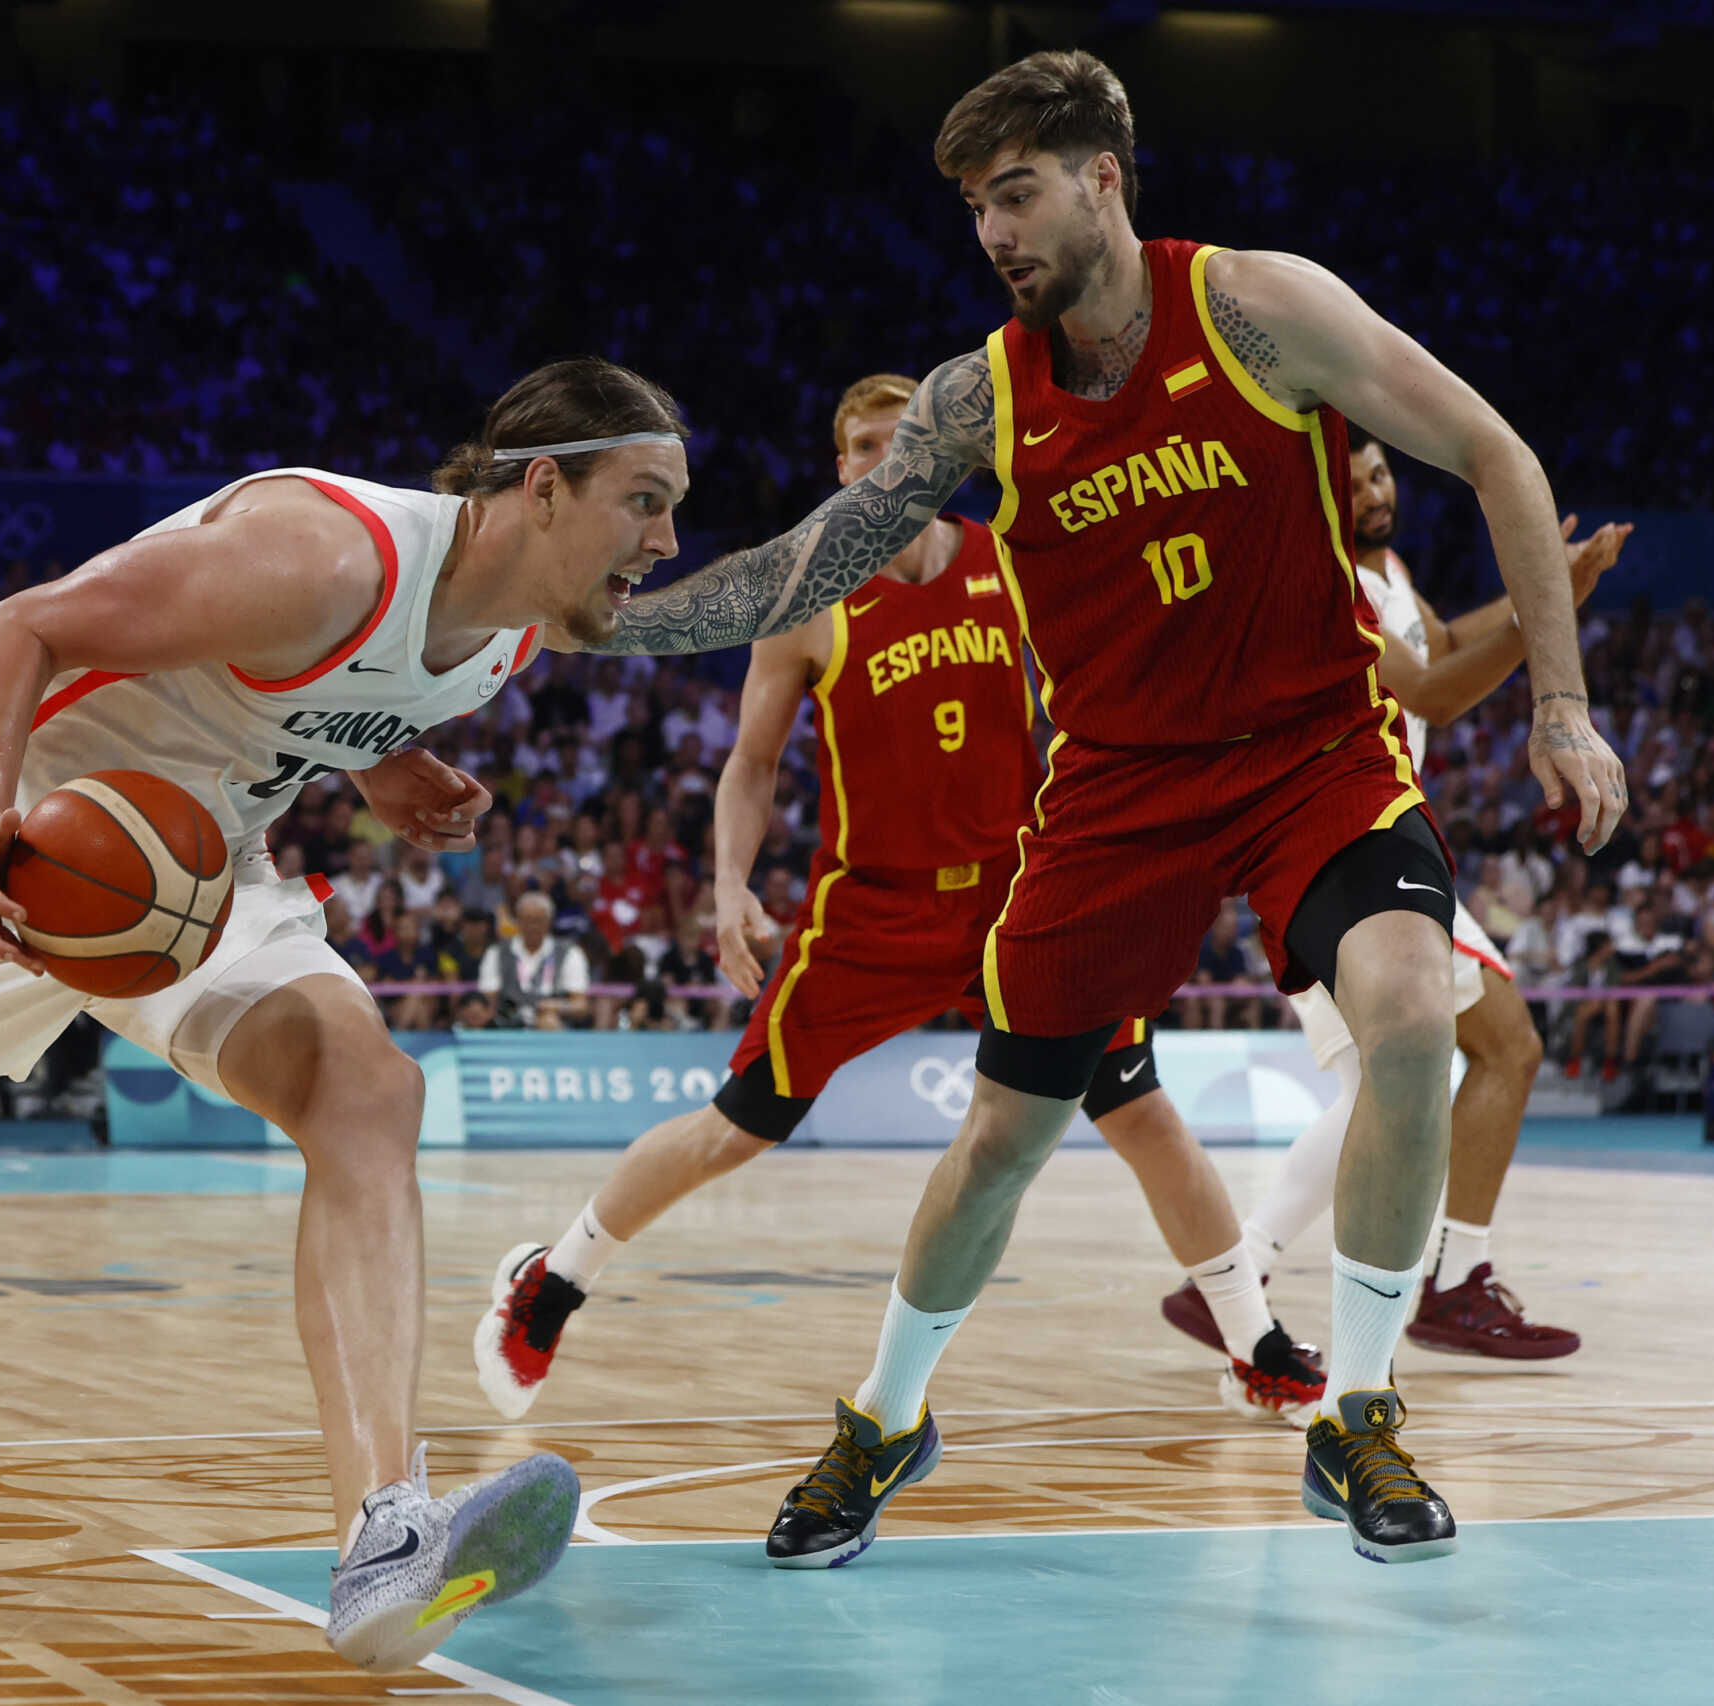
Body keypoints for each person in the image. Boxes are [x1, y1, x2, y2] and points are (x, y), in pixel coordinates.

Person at [584, 52, 1624, 1567]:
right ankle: (883, 1417)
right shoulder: (975, 403)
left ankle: (1360, 1409)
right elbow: (805, 566)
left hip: (1312, 758)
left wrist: (1563, 704)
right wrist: (613, 619)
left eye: (1015, 194)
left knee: (1414, 1010)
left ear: (1102, 181)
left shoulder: (1259, 309)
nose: (994, 233)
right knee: (1007, 1131)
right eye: (972, 208)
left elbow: (1498, 456)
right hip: (1121, 791)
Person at [0, 357, 699, 1672]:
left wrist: (383, 763)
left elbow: (311, 692)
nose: (666, 541)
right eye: (646, 501)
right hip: (14, 843)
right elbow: (18, 630)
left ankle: (383, 1533)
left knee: (368, 1091)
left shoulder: (499, 643)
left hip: (196, 881)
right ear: (543, 486)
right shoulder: (324, 554)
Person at [479, 374, 1325, 1463]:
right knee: (737, 1126)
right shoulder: (805, 599)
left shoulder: (1012, 558)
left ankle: (1252, 1341)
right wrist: (731, 883)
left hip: (1026, 895)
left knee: (1141, 1111)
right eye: (862, 445)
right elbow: (749, 765)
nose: (884, 458)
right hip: (872, 910)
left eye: (901, 440)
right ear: (841, 469)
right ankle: (551, 1281)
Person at [1176, 435, 1628, 1364]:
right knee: (1494, 1049)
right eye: (1350, 481)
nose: (1372, 490)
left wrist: (1553, 588)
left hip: (1370, 844)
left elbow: (1446, 638)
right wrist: (1545, 621)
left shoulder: (1387, 570)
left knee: (1418, 1073)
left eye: (1379, 472)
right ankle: (1446, 1281)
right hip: (1339, 847)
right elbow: (1433, 689)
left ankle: (1246, 1270)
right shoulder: (1322, 578)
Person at [477, 890, 592, 1028]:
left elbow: (581, 1006)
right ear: (517, 920)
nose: (532, 927)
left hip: (554, 1023)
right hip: (508, 1022)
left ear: (549, 922)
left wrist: (557, 1006)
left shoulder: (570, 953)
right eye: (527, 920)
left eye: (538, 921)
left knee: (548, 1021)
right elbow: (489, 1001)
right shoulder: (496, 952)